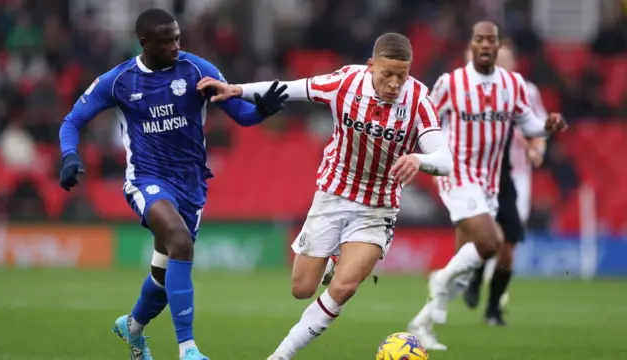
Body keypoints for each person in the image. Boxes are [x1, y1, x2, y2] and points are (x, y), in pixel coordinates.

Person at [197, 32, 454, 360]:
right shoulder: (345, 82)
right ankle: (333, 260)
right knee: (301, 288)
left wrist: (420, 159)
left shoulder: (418, 100)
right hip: (333, 194)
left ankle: (279, 356)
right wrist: (237, 90)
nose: (393, 84)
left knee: (344, 288)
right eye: (386, 74)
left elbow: (444, 160)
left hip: (378, 206)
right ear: (370, 65)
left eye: (400, 76)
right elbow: (293, 88)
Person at [58, 8, 288, 360]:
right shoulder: (119, 81)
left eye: (178, 38)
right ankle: (188, 349)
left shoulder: (198, 70)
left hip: (191, 186)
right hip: (146, 179)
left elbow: (241, 116)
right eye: (167, 41)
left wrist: (263, 110)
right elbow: (72, 120)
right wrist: (70, 156)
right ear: (144, 43)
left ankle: (132, 327)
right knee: (180, 242)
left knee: (164, 277)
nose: (175, 46)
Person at [406, 21, 567, 350]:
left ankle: (423, 322)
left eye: (490, 40)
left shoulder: (513, 84)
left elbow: (530, 123)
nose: (484, 45)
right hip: (457, 172)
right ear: (471, 45)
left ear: (497, 46)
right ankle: (440, 281)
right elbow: (426, 119)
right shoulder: (450, 83)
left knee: (467, 261)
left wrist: (548, 128)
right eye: (478, 39)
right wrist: (422, 156)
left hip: (490, 181)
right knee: (491, 242)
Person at [462, 40, 548, 326]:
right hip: (483, 174)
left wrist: (537, 150)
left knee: (508, 245)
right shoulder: (473, 90)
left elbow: (539, 129)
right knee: (490, 234)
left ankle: (493, 307)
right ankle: (475, 277)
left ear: (514, 64)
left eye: (505, 61)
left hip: (517, 176)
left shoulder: (527, 91)